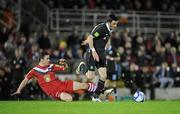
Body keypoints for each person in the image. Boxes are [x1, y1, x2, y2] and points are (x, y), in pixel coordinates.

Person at [11, 52, 97, 102]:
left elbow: (65, 68)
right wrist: (19, 90)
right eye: (47, 58)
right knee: (69, 99)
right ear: (41, 60)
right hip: (55, 92)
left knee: (84, 85)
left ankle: (99, 89)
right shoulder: (34, 70)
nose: (49, 60)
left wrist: (64, 63)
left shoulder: (51, 66)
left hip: (63, 84)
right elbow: (25, 80)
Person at [76, 14, 119, 101]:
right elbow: (91, 37)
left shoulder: (110, 30)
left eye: (116, 23)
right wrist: (93, 51)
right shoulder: (101, 27)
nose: (115, 25)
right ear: (109, 22)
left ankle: (95, 96)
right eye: (114, 23)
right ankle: (82, 67)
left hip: (101, 53)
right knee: (90, 77)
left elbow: (100, 38)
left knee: (103, 75)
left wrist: (105, 47)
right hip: (93, 53)